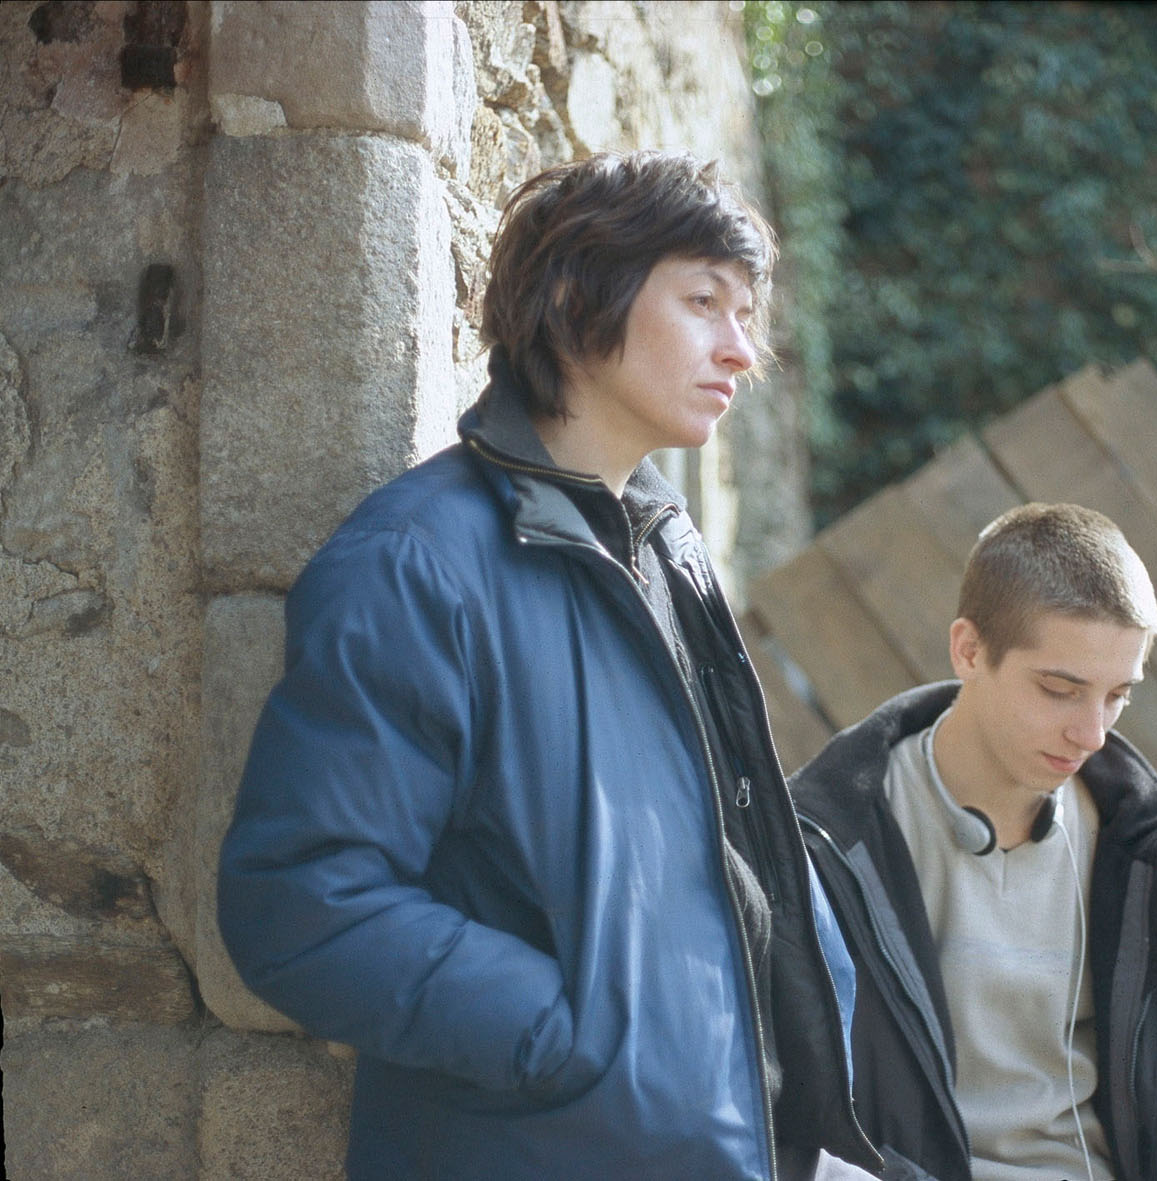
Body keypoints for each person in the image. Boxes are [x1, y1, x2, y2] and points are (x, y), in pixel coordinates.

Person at [217, 151, 879, 1180]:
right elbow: (303, 904)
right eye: (704, 302)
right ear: (574, 298)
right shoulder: (415, 564)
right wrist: (576, 1042)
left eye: (746, 314)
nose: (742, 350)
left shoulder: (666, 545)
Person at [791, 503, 1157, 1181]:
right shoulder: (817, 846)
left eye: (1118, 695)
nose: (1093, 733)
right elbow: (790, 1110)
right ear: (969, 649)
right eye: (1060, 689)